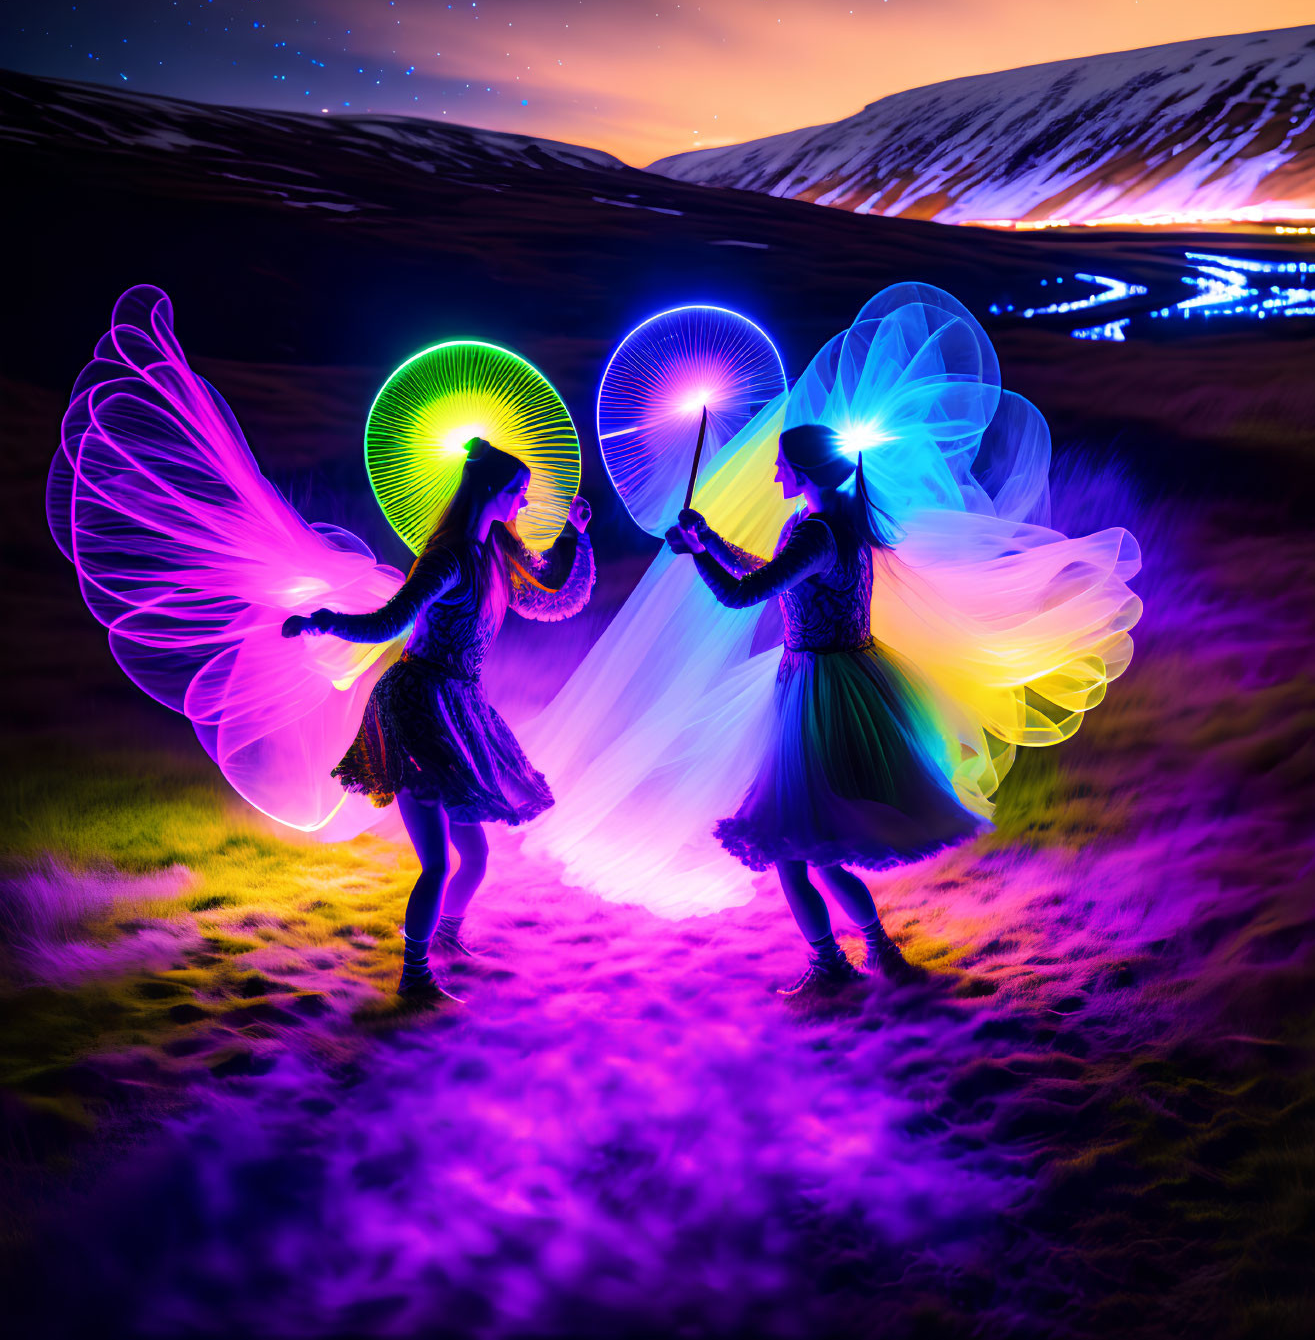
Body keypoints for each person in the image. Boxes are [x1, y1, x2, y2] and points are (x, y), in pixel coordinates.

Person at [667, 424, 983, 999]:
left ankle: (832, 965)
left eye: (782, 466)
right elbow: (773, 572)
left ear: (805, 474)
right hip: (842, 678)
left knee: (798, 842)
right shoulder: (832, 521)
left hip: (819, 688)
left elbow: (741, 594)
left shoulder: (815, 532)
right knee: (816, 843)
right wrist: (709, 539)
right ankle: (875, 953)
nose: (775, 475)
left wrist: (695, 556)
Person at [284, 438, 594, 1001]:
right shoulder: (447, 558)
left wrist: (575, 534)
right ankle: (415, 975)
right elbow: (388, 623)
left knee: (473, 855)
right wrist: (325, 621)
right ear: (490, 492)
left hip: (458, 704)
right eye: (517, 494)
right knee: (436, 862)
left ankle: (444, 937)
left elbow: (553, 600)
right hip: (418, 704)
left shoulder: (497, 551)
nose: (523, 506)